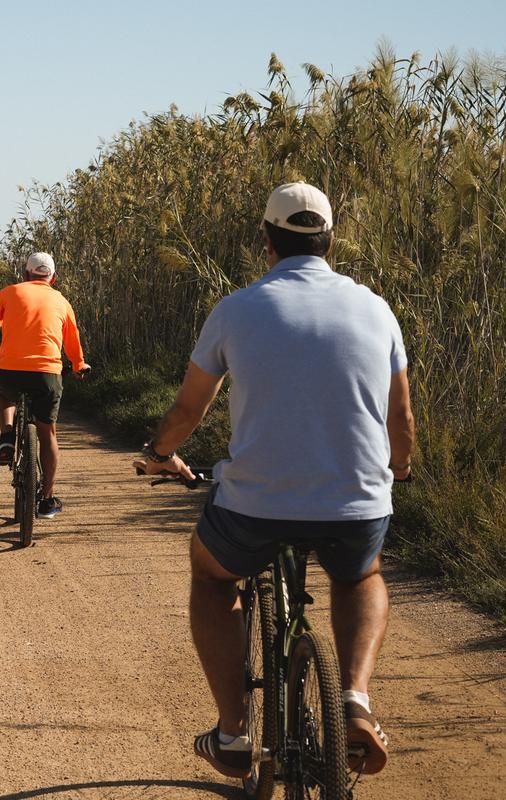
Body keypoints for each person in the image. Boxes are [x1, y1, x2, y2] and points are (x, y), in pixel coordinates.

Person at [134, 182, 414, 779]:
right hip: (356, 503)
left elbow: (190, 410)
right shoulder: (376, 308)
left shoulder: (237, 309)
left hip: (253, 507)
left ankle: (233, 731)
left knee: (212, 576)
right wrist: (399, 469)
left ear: (267, 241)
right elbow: (402, 418)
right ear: (330, 240)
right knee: (360, 574)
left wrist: (160, 453)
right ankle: (356, 699)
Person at [0, 252, 90, 519]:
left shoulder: (10, 292)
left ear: (25, 274)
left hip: (11, 370)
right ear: (53, 277)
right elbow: (72, 340)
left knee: (4, 396)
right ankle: (48, 500)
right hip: (47, 374)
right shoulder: (62, 300)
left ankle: (7, 436)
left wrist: (5, 320)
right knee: (47, 433)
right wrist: (78, 365)